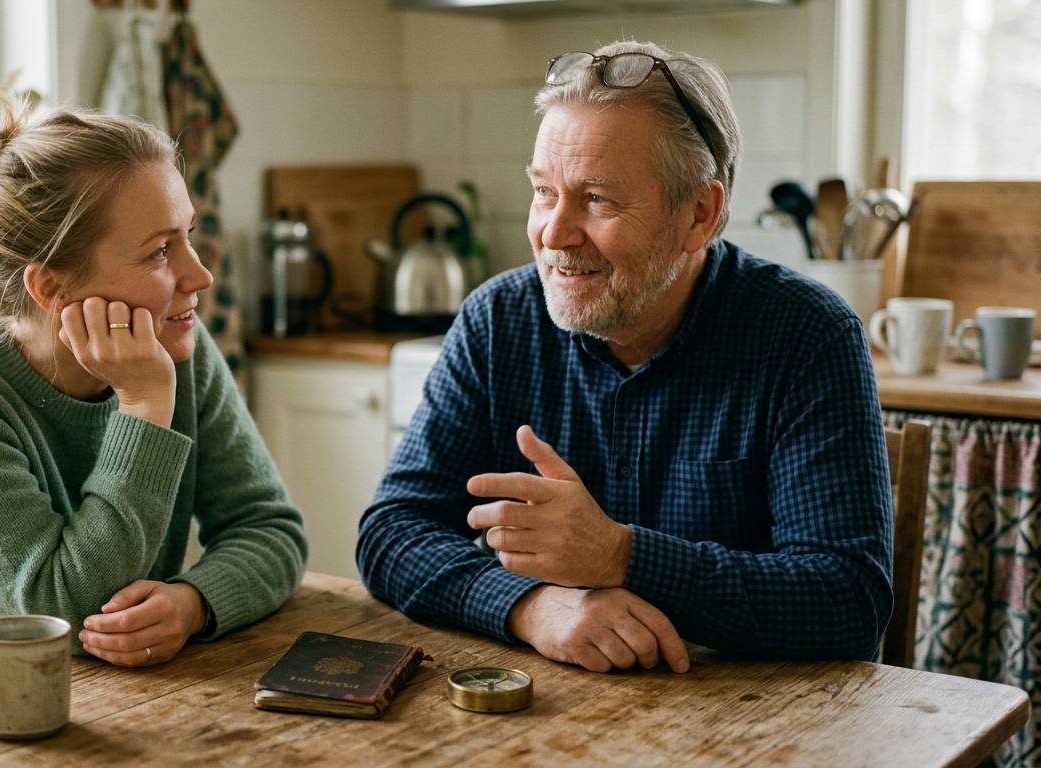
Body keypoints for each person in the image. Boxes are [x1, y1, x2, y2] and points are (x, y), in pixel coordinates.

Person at [357, 41, 892, 674]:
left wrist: (621, 556)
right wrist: (531, 607)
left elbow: (847, 599)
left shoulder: (807, 335)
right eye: (543, 192)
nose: (553, 234)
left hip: (753, 716)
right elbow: (391, 532)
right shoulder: (497, 320)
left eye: (597, 200)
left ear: (699, 215)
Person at [0, 89, 307, 700]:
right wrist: (145, 406)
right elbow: (64, 609)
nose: (200, 276)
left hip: (74, 701)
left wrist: (195, 602)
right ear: (50, 288)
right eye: (160, 251)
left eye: (188, 237)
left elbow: (271, 528)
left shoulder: (175, 343)